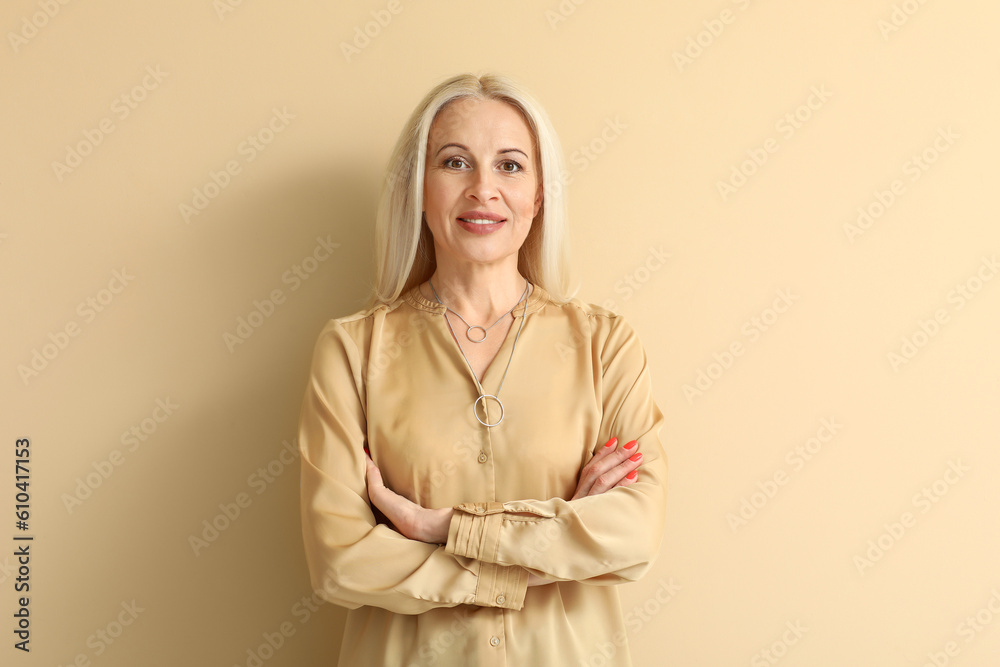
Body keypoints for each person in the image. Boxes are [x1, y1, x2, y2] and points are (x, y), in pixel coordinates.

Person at [297, 72, 668, 666]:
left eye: (511, 166)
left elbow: (632, 537)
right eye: (454, 163)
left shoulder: (607, 346)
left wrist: (438, 526)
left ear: (541, 194)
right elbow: (342, 561)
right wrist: (551, 541)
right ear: (419, 187)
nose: (483, 190)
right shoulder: (352, 350)